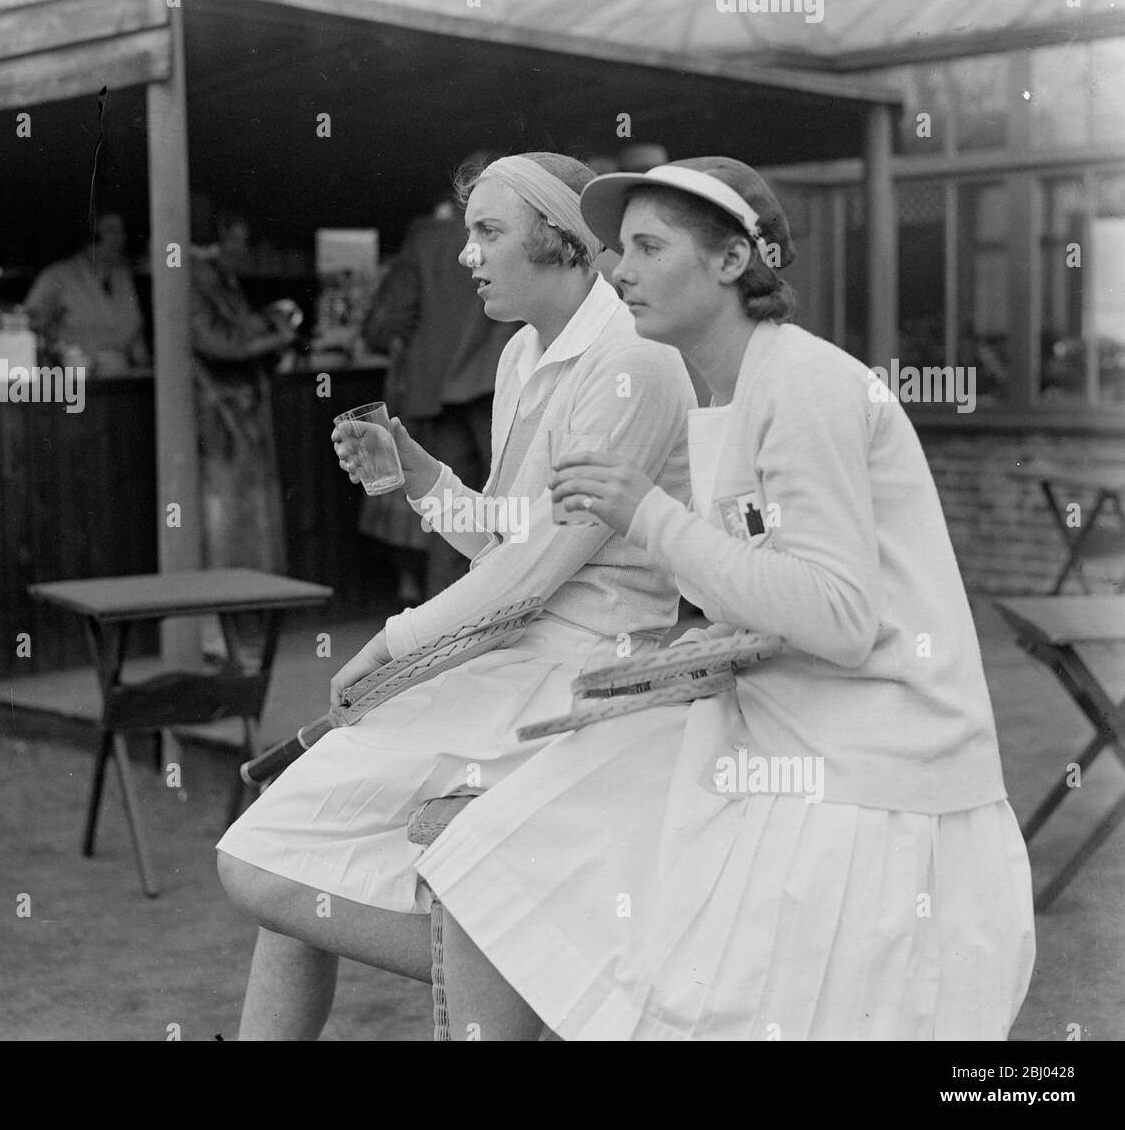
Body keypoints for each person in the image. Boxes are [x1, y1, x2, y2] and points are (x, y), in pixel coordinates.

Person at [416, 157, 1036, 1040]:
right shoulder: (730, 385)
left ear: (734, 261)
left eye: (647, 246)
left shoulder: (806, 383)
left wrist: (649, 514)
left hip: (879, 787)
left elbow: (839, 617)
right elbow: (759, 587)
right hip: (786, 737)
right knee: (494, 861)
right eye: (617, 248)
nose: (616, 269)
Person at [215, 152, 697, 1040]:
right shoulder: (522, 352)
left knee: (256, 869)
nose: (466, 256)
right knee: (285, 872)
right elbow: (510, 543)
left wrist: (394, 647)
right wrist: (422, 476)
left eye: (487, 232)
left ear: (562, 243)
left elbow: (533, 573)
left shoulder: (635, 363)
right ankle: (511, 955)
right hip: (511, 656)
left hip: (583, 684)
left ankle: (518, 964)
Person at [359, 154, 521, 606]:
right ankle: (507, 618)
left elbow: (384, 324)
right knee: (513, 510)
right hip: (497, 384)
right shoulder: (516, 233)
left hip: (441, 394)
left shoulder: (424, 239)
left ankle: (448, 634)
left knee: (452, 517)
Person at [190, 209, 297, 576]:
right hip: (217, 411)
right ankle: (224, 614)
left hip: (239, 408)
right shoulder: (190, 276)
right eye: (233, 237)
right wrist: (275, 337)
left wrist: (268, 324)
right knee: (224, 513)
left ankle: (246, 610)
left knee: (245, 513)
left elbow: (233, 329)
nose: (240, 247)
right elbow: (216, 342)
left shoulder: (218, 275)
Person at [23, 209, 148, 376]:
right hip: (79, 378)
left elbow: (135, 332)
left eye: (122, 231)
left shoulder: (123, 276)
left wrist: (141, 361)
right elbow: (31, 324)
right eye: (111, 231)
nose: (120, 238)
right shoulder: (57, 275)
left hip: (121, 378)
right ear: (90, 237)